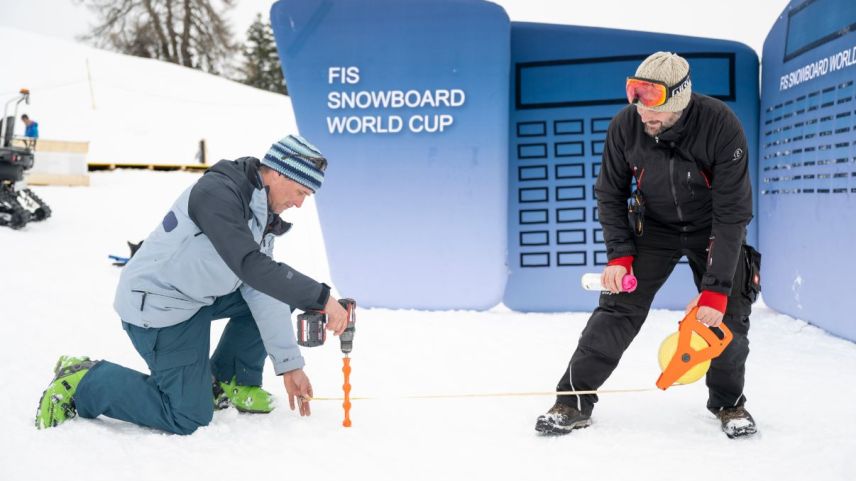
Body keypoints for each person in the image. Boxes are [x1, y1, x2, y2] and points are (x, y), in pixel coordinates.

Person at [35, 134, 350, 434]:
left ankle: (229, 380)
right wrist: (321, 297)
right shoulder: (219, 193)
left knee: (278, 290)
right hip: (159, 306)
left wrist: (290, 366)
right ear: (279, 173)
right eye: (301, 193)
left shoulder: (261, 212)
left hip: (196, 298)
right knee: (188, 415)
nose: (299, 204)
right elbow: (249, 265)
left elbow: (260, 285)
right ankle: (83, 380)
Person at [535, 52, 761, 439]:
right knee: (617, 310)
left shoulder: (721, 125)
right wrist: (619, 256)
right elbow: (610, 193)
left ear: (680, 102)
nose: (644, 117)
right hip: (653, 225)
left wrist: (716, 289)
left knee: (727, 317)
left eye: (654, 111)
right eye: (637, 106)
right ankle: (573, 400)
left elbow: (732, 213)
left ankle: (729, 404)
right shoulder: (626, 125)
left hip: (713, 227)